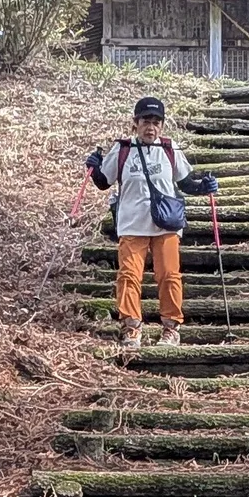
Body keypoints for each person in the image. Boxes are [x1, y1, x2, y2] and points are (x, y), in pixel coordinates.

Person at [86, 97, 218, 349]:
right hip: (131, 223)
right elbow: (105, 181)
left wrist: (205, 186)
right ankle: (131, 327)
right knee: (128, 276)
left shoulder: (169, 148)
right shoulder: (123, 149)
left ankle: (171, 328)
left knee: (169, 275)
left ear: (162, 126)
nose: (151, 127)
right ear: (135, 123)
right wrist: (94, 169)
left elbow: (186, 183)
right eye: (146, 121)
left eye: (156, 122)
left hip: (166, 224)